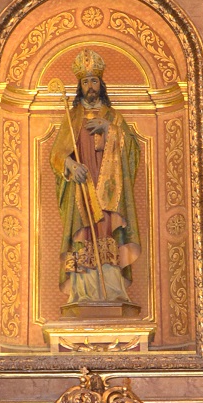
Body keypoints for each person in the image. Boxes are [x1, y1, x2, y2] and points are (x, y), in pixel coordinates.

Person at [50, 48, 142, 312]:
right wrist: (70, 164)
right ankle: (83, 290)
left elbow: (132, 152)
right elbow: (57, 155)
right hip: (82, 191)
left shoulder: (115, 118)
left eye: (94, 80)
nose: (90, 86)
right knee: (85, 234)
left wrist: (110, 131)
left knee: (107, 232)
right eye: (85, 81)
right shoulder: (72, 118)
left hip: (108, 194)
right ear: (80, 87)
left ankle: (111, 288)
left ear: (101, 84)